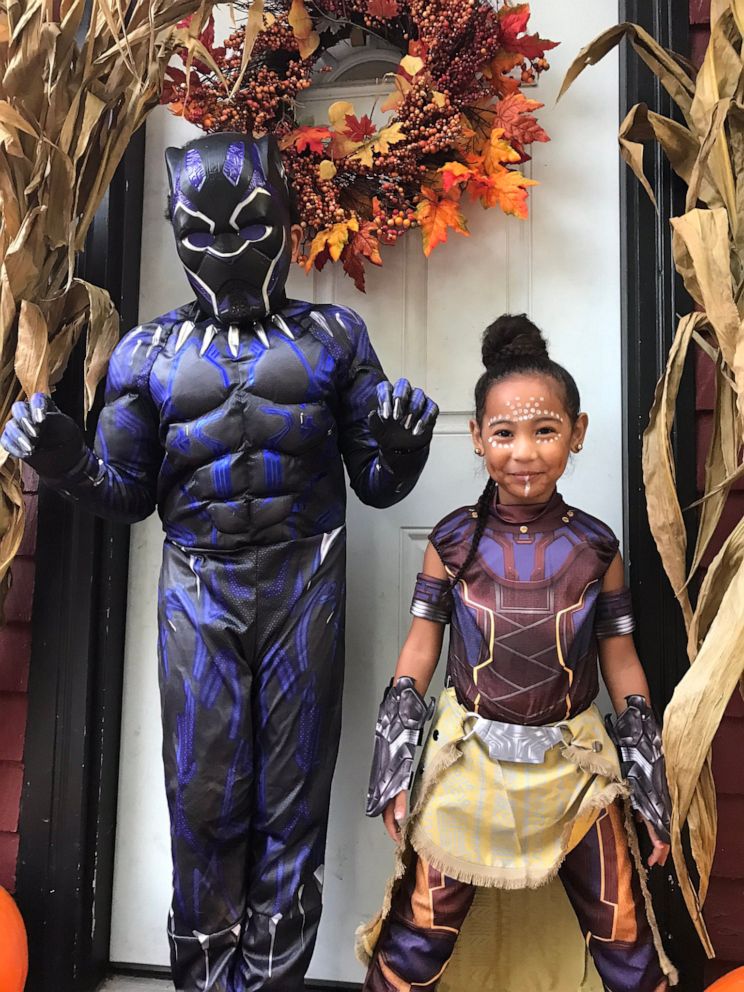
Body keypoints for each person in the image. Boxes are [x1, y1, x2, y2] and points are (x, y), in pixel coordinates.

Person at [0, 132, 438, 992]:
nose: (228, 250)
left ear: (284, 219)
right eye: (202, 231)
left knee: (291, 806)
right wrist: (63, 462)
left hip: (303, 585)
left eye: (249, 224)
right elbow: (125, 491)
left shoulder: (334, 340)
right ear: (173, 231)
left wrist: (405, 453)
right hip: (199, 591)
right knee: (202, 805)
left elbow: (378, 486)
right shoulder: (147, 357)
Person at [360, 314, 676, 992]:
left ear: (577, 433)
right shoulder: (450, 543)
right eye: (503, 433)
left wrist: (648, 781)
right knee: (418, 937)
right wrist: (393, 762)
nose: (523, 451)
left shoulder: (598, 548)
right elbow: (420, 650)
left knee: (624, 937)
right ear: (477, 438)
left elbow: (619, 659)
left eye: (545, 430)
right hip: (468, 770)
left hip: (576, 772)